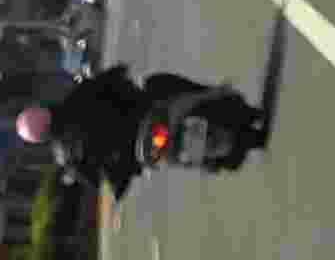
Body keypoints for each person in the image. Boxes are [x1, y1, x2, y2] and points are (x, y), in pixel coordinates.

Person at [19, 67, 200, 193]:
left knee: (169, 157)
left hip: (142, 153)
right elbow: (110, 78)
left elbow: (96, 181)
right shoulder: (76, 98)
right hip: (145, 114)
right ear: (44, 109)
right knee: (156, 82)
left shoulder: (66, 157)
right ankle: (208, 92)